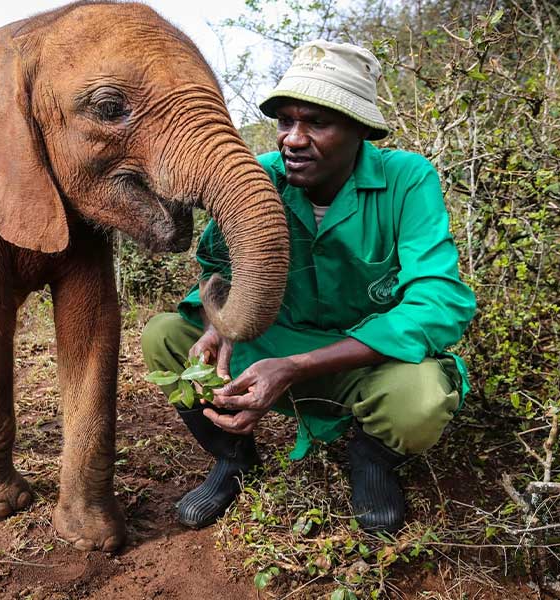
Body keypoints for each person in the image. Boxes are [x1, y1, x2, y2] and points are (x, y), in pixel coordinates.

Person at [141, 40, 476, 533]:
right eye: (286, 121)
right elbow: (218, 266)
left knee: (420, 397)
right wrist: (222, 326)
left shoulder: (406, 180)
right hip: (272, 342)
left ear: (360, 130)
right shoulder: (259, 176)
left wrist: (297, 367)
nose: (293, 139)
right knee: (166, 336)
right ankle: (233, 460)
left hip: (364, 357)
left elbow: (438, 301)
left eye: (317, 123)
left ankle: (370, 460)